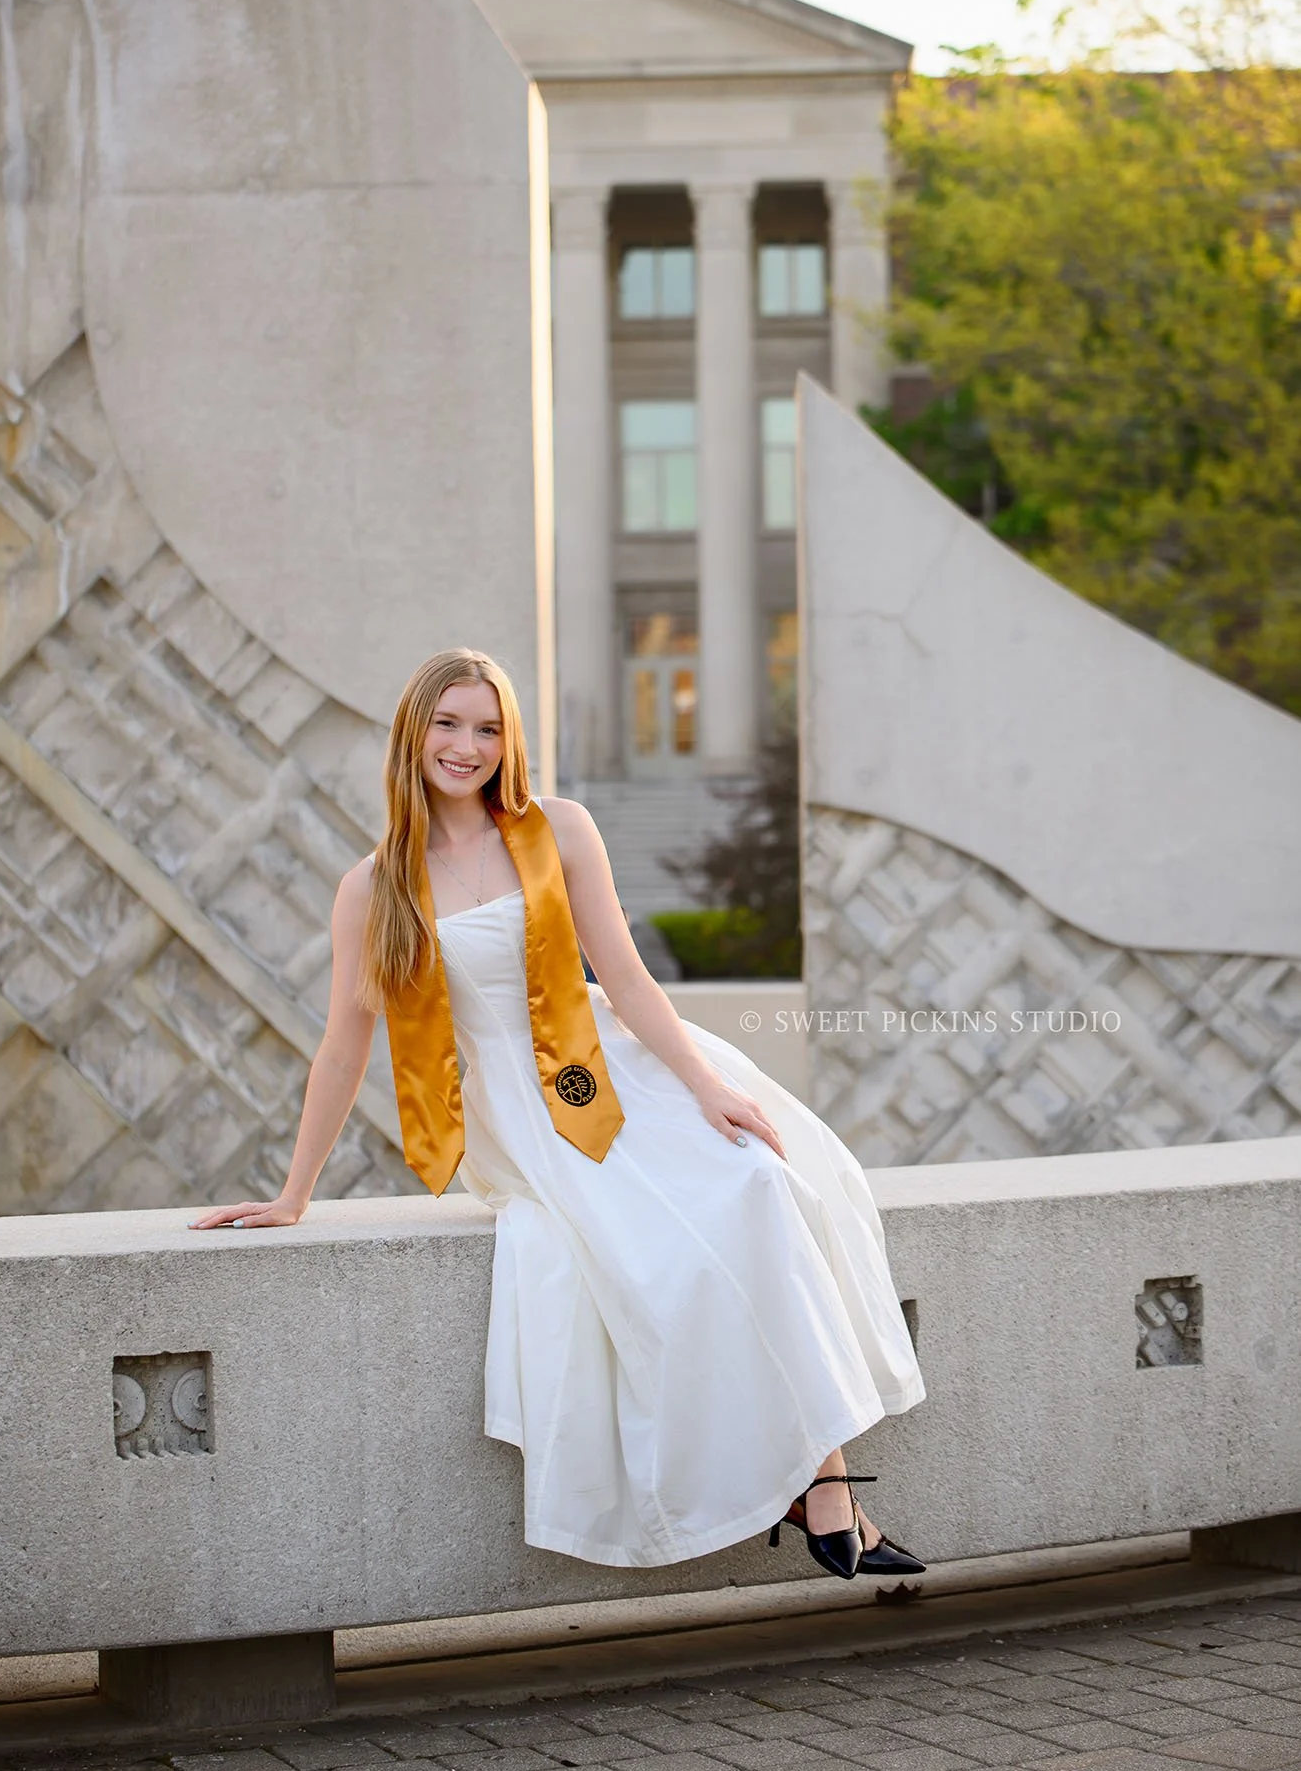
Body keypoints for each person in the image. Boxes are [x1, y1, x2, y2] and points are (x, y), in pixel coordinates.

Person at [190, 647, 926, 1576]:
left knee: (760, 1186)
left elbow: (622, 973)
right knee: (663, 1251)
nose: (467, 746)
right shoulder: (374, 888)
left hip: (609, 1068)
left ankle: (823, 1482)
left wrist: (705, 1085)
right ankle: (826, 1500)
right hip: (521, 1113)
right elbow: (344, 1046)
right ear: (412, 734)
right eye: (448, 724)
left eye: (488, 728)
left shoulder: (557, 829)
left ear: (510, 740)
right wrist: (294, 1194)